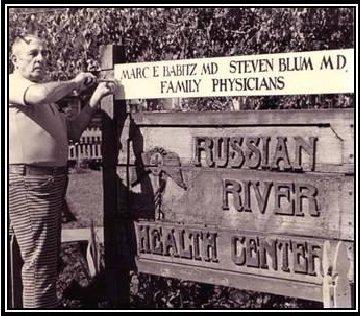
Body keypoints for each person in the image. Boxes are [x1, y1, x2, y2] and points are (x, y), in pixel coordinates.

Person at [8, 34, 116, 309]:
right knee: (39, 264)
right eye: (33, 53)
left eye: (44, 53)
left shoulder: (45, 97)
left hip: (48, 182)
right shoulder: (15, 84)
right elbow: (42, 93)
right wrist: (75, 83)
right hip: (30, 182)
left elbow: (72, 132)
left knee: (32, 259)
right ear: (14, 59)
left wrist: (95, 98)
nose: (41, 58)